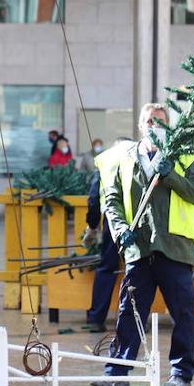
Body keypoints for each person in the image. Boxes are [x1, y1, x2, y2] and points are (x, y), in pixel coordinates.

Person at [94, 103, 194, 386]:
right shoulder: (125, 158)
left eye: (160, 121)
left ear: (168, 126)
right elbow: (113, 200)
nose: (154, 125)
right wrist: (119, 231)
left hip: (173, 248)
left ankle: (181, 375)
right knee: (128, 312)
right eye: (149, 120)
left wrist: (171, 176)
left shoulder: (183, 157)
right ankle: (116, 371)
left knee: (182, 312)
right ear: (140, 125)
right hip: (139, 249)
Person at [81, 139, 126, 331]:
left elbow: (93, 198)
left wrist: (92, 226)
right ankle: (133, 319)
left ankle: (96, 317)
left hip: (112, 221)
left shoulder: (105, 163)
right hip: (138, 219)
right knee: (138, 268)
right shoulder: (138, 159)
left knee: (107, 267)